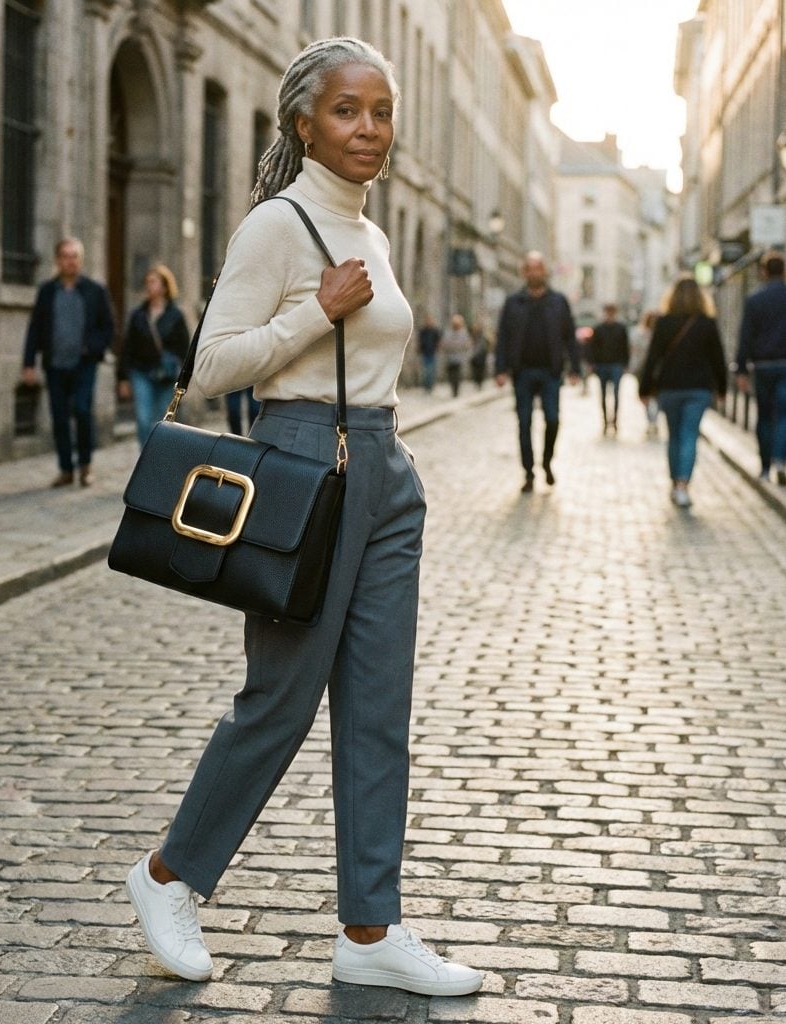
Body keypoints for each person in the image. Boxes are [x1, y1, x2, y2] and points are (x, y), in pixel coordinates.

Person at [122, 37, 482, 999]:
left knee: (379, 709)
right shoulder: (278, 226)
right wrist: (313, 314)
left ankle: (371, 926)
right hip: (300, 462)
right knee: (280, 699)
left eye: (381, 111)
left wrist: (383, 452)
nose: (369, 129)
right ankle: (167, 876)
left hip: (384, 466)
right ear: (303, 122)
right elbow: (210, 366)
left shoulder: (378, 232)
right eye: (347, 111)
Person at [22, 238, 115, 487]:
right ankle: (66, 469)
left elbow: (108, 328)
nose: (70, 260)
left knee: (83, 411)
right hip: (55, 364)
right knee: (59, 416)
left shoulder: (95, 291)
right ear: (57, 260)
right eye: (65, 256)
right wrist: (28, 363)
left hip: (84, 364)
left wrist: (91, 348)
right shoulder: (47, 291)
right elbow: (35, 328)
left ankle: (85, 465)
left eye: (74, 256)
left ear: (80, 260)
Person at [637, 276, 727, 508]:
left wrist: (644, 388)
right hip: (698, 388)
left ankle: (675, 482)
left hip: (670, 387)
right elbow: (718, 358)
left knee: (674, 436)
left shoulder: (664, 323)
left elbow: (653, 358)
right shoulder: (707, 323)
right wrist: (722, 387)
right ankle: (682, 485)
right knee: (689, 436)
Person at [495, 252, 581, 492]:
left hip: (551, 372)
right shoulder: (514, 302)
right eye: (530, 269)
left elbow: (569, 337)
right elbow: (503, 337)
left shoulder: (558, 301)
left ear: (545, 272)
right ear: (524, 273)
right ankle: (529, 472)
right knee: (524, 422)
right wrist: (501, 369)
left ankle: (547, 462)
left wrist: (575, 368)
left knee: (552, 419)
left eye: (538, 268)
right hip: (522, 372)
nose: (534, 273)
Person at [735, 250, 786, 485]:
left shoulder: (754, 300)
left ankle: (764, 466)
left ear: (763, 272)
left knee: (764, 415)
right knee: (785, 415)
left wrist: (741, 369)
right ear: (785, 271)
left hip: (762, 365)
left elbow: (746, 337)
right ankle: (780, 460)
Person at [117, 264, 190, 446]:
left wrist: (182, 377)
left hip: (167, 375)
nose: (149, 286)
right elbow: (127, 347)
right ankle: (145, 458)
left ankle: (157, 457)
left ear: (165, 287)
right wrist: (123, 378)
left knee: (162, 422)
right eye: (147, 282)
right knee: (143, 419)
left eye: (153, 282)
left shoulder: (176, 315)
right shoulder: (138, 315)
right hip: (141, 372)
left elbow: (185, 348)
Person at [587, 302, 630, 434]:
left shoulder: (620, 328)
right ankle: (605, 421)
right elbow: (592, 347)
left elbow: (625, 347)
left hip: (616, 364)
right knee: (603, 395)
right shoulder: (599, 328)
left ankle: (615, 420)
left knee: (616, 395)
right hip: (602, 365)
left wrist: (625, 364)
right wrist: (592, 363)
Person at [632, 310, 661, 437]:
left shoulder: (661, 335)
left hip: (657, 370)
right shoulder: (640, 334)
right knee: (646, 397)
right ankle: (651, 420)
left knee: (655, 396)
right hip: (643, 369)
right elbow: (636, 352)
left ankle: (653, 420)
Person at [439, 313, 473, 398]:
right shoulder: (448, 332)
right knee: (451, 375)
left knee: (457, 375)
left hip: (459, 358)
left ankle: (456, 390)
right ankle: (453, 388)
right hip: (450, 358)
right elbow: (444, 344)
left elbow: (467, 344)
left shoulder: (463, 333)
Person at [417, 314, 441, 392]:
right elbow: (420, 341)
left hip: (432, 353)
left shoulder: (435, 331)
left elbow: (438, 341)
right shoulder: (423, 331)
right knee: (425, 371)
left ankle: (430, 386)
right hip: (425, 353)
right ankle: (426, 386)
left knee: (431, 371)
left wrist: (437, 348)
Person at [469, 320, 489, 389]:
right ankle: (477, 382)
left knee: (480, 370)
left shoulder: (483, 336)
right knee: (476, 370)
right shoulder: (473, 336)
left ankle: (479, 382)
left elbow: (487, 344)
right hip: (475, 356)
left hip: (481, 355)